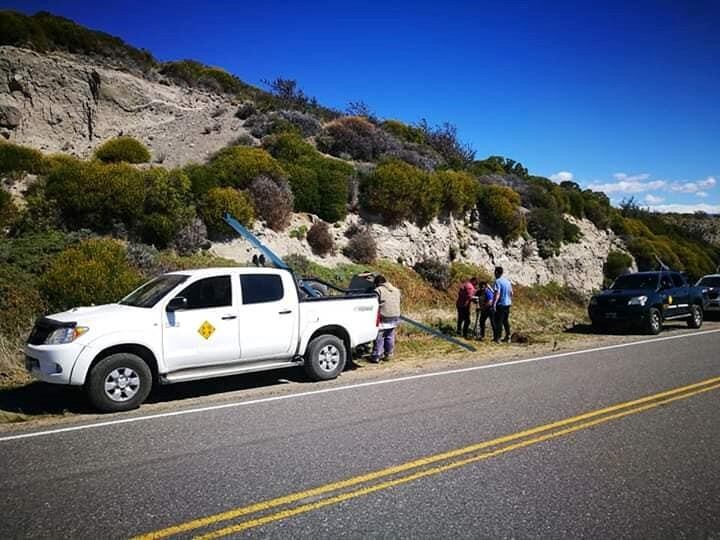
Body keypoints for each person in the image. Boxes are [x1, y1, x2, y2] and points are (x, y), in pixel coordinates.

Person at [370, 275, 401, 363]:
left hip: (384, 316)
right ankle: (389, 354)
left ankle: (377, 355)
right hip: (395, 316)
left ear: (378, 283)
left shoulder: (378, 290)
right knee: (390, 335)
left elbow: (374, 304)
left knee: (380, 336)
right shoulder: (396, 290)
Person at [492, 266, 513, 343]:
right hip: (508, 303)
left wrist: (494, 304)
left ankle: (498, 338)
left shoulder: (497, 281)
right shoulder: (507, 281)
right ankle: (508, 336)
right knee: (505, 321)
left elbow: (497, 293)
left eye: (495, 272)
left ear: (497, 272)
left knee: (499, 321)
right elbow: (511, 293)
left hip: (500, 304)